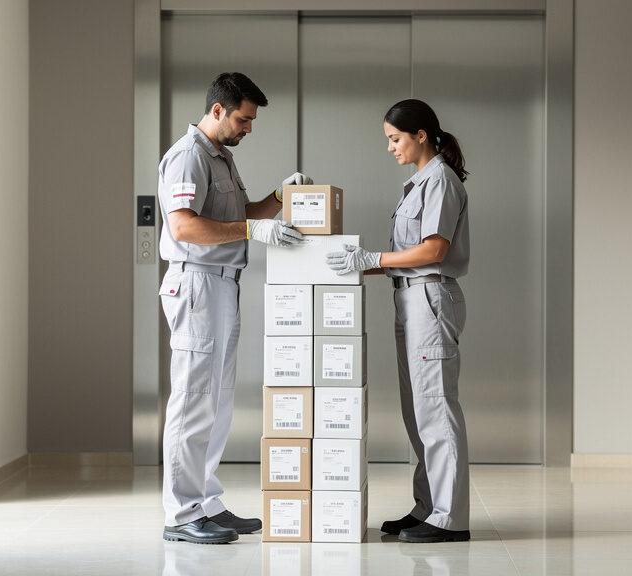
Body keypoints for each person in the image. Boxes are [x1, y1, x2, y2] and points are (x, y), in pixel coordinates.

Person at [157, 72, 312, 544]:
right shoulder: (187, 157)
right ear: (218, 110)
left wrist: (279, 199)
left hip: (224, 285)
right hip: (197, 284)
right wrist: (251, 232)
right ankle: (182, 515)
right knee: (192, 399)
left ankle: (206, 502)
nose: (249, 128)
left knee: (217, 402)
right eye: (244, 119)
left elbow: (238, 216)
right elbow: (184, 227)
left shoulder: (220, 158)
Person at [326, 99, 471, 543]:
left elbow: (433, 251)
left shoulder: (440, 181)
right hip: (408, 300)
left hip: (430, 298)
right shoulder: (417, 184)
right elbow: (404, 257)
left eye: (394, 139)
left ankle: (449, 518)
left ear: (421, 135)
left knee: (435, 406)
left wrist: (373, 258)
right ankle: (427, 507)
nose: (390, 147)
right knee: (416, 411)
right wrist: (357, 264)